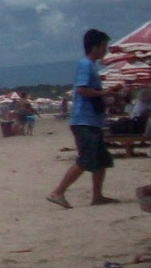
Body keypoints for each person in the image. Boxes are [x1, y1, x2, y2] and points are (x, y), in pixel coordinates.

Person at [48, 28, 118, 209]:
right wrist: (104, 93)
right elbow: (81, 90)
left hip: (91, 120)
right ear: (95, 47)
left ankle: (97, 196)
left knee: (101, 159)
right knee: (86, 159)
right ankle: (58, 192)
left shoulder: (90, 65)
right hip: (83, 120)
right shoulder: (85, 65)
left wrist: (105, 95)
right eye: (104, 46)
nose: (106, 50)